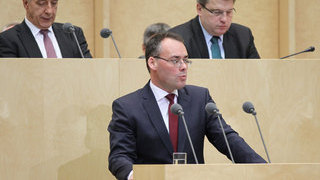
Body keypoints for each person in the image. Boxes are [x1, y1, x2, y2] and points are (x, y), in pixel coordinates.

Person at [108, 32, 266, 180]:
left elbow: (228, 139)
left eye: (186, 59)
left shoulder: (200, 98)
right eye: (175, 60)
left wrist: (264, 170)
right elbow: (119, 157)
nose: (183, 66)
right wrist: (136, 177)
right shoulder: (127, 107)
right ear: (152, 62)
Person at [169, 0, 260, 59]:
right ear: (199, 9)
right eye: (217, 12)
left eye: (229, 12)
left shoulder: (243, 36)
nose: (224, 19)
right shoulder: (178, 38)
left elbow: (256, 74)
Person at [0, 0, 91, 58]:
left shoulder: (73, 34)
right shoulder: (8, 39)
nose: (49, 11)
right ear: (26, 3)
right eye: (41, 3)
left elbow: (87, 72)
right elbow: (10, 80)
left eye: (54, 3)